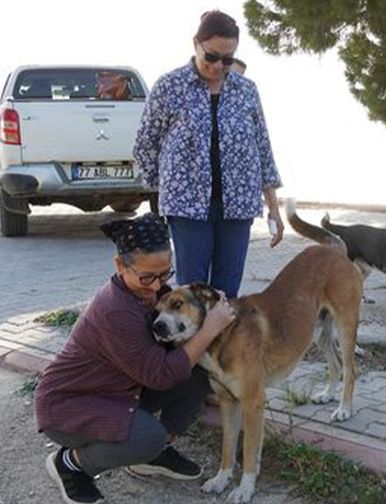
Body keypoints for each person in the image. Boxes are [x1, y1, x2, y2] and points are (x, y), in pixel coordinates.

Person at [35, 213, 235, 504]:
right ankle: (71, 464)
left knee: (197, 375)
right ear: (120, 266)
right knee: (147, 436)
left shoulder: (149, 292)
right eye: (147, 277)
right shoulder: (116, 311)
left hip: (119, 391)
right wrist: (210, 328)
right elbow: (161, 375)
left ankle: (152, 454)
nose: (157, 286)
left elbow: (177, 356)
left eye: (165, 274)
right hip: (69, 404)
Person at [134, 10, 283, 299]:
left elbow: (263, 149)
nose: (218, 66)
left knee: (227, 294)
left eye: (228, 60)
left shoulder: (247, 91)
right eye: (212, 57)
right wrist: (163, 192)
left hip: (238, 206)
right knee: (191, 293)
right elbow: (145, 146)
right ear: (196, 44)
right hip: (187, 207)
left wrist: (273, 207)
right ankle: (192, 346)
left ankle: (223, 345)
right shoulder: (169, 87)